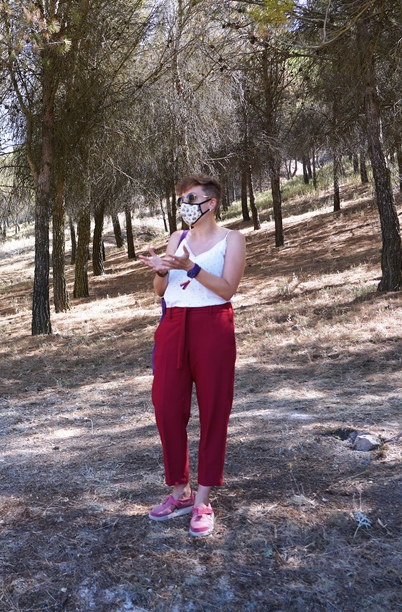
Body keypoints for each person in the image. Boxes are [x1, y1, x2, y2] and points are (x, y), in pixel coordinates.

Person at [138, 174, 246, 538]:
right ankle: (178, 491)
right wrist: (162, 271)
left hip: (213, 325)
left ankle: (202, 499)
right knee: (167, 407)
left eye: (192, 197)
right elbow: (160, 291)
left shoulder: (233, 239)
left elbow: (228, 288)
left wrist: (191, 268)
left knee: (214, 409)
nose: (185, 203)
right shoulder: (176, 238)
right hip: (173, 323)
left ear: (211, 203)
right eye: (183, 198)